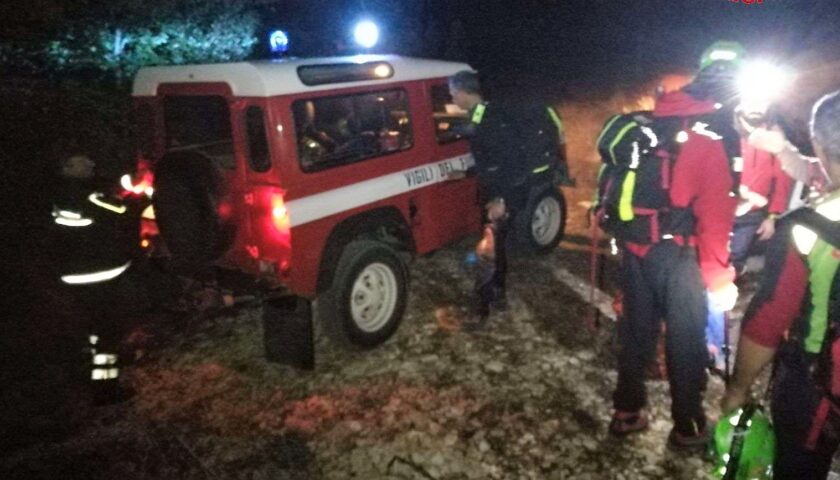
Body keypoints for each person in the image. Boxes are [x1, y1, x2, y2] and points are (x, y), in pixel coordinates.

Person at [608, 41, 741, 450]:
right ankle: (688, 426)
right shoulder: (708, 139)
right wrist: (720, 280)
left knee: (636, 332)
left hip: (635, 248)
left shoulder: (651, 123)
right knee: (685, 342)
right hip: (679, 256)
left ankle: (627, 411)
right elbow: (715, 218)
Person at [721, 90, 840, 479]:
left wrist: (738, 389)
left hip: (816, 389)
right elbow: (812, 170)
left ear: (821, 147)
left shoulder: (810, 227)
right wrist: (785, 151)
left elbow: (769, 319)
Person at [447, 70, 565, 330]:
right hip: (499, 192)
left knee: (487, 250)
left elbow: (514, 163)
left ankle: (480, 311)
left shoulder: (490, 121)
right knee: (497, 246)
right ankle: (497, 293)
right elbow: (491, 161)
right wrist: (468, 172)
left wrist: (502, 200)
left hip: (504, 194)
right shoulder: (482, 116)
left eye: (453, 92)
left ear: (465, 92)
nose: (451, 97)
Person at [52, 154, 138, 404]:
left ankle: (86, 375)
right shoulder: (89, 195)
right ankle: (107, 389)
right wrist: (136, 195)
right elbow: (121, 210)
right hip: (99, 275)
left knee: (89, 328)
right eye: (83, 163)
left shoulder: (60, 195)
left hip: (72, 275)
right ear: (68, 167)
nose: (91, 164)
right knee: (107, 330)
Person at [730, 109, 794, 276]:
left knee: (735, 258)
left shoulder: (774, 137)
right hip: (718, 211)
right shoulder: (726, 132)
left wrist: (772, 217)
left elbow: (782, 180)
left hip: (752, 214)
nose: (756, 106)